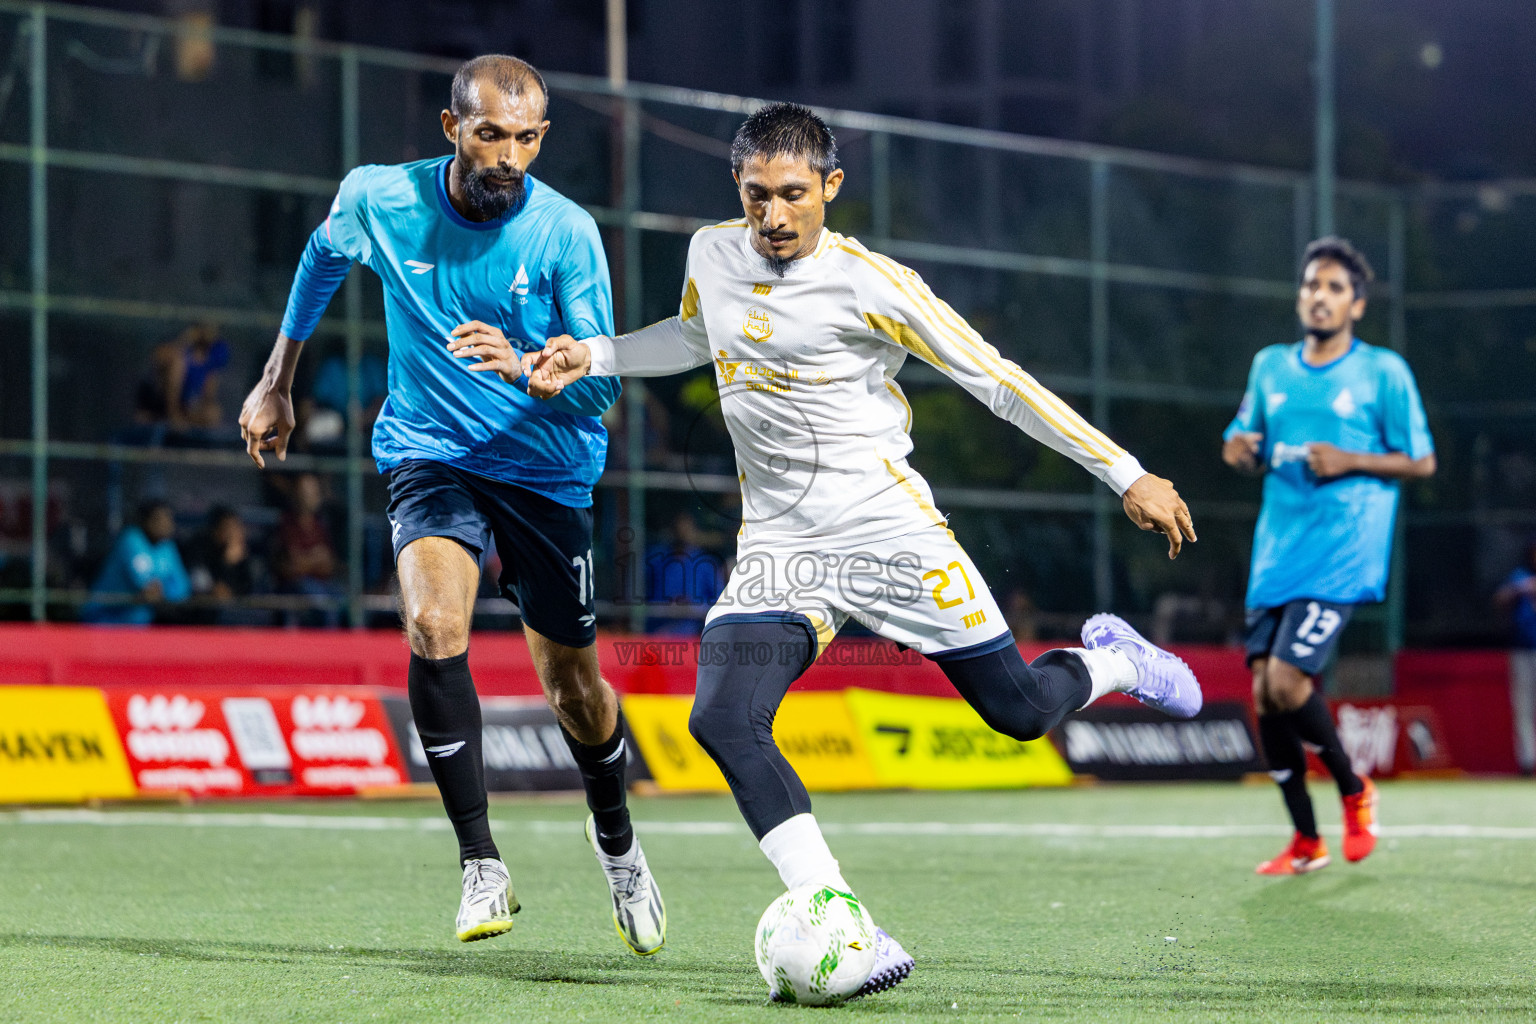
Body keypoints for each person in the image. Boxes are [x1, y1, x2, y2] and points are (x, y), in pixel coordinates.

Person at [516, 102, 1201, 998]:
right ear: (737, 187)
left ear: (831, 188)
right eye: (757, 195)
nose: (773, 216)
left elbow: (997, 383)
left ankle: (1111, 662)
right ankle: (844, 921)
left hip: (888, 532)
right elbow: (692, 337)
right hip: (780, 544)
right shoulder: (711, 255)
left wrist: (1125, 473)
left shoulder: (875, 283)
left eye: (794, 195)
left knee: (1022, 711)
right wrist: (594, 356)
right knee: (720, 718)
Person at [237, 54, 665, 954]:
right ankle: (481, 864)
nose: (510, 155)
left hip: (547, 470)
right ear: (452, 128)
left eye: (527, 138)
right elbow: (321, 255)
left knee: (574, 688)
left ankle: (618, 843)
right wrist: (276, 379)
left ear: (542, 137)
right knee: (434, 625)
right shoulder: (380, 200)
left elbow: (599, 393)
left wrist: (531, 368)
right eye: (491, 134)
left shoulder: (566, 234)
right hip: (431, 453)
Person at [1222, 236, 1436, 875]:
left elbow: (1421, 460)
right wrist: (1237, 449)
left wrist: (1351, 460)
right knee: (1263, 696)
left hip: (1345, 550)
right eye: (1313, 284)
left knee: (1287, 682)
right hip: (1278, 548)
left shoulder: (1383, 372)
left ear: (1357, 305)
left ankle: (1352, 787)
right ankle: (1307, 840)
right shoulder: (1271, 366)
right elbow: (1242, 435)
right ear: (1300, 296)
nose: (1321, 296)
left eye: (1336, 288)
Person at [81, 501, 190, 625]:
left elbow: (182, 588)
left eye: (169, 518)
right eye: (160, 518)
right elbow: (144, 585)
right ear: (146, 521)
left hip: (138, 624)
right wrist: (159, 590)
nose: (167, 524)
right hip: (103, 618)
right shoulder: (130, 539)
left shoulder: (167, 546)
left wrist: (164, 591)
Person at [271, 473, 343, 627]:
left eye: (313, 492)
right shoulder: (287, 524)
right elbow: (292, 566)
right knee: (322, 601)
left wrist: (309, 560)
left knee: (349, 601)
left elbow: (329, 565)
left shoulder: (322, 526)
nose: (310, 497)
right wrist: (316, 559)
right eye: (305, 492)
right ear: (296, 494)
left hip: (323, 584)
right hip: (295, 586)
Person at [134, 322, 229, 431]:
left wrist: (201, 406)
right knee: (177, 366)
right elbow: (165, 373)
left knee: (213, 414)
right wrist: (174, 414)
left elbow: (209, 391)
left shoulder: (214, 355)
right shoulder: (180, 352)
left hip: (186, 405)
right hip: (161, 403)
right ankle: (173, 418)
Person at [1494, 541, 1536, 776]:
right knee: (1523, 707)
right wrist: (1519, 589)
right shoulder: (1520, 577)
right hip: (1521, 649)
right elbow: (1500, 600)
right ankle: (1527, 763)